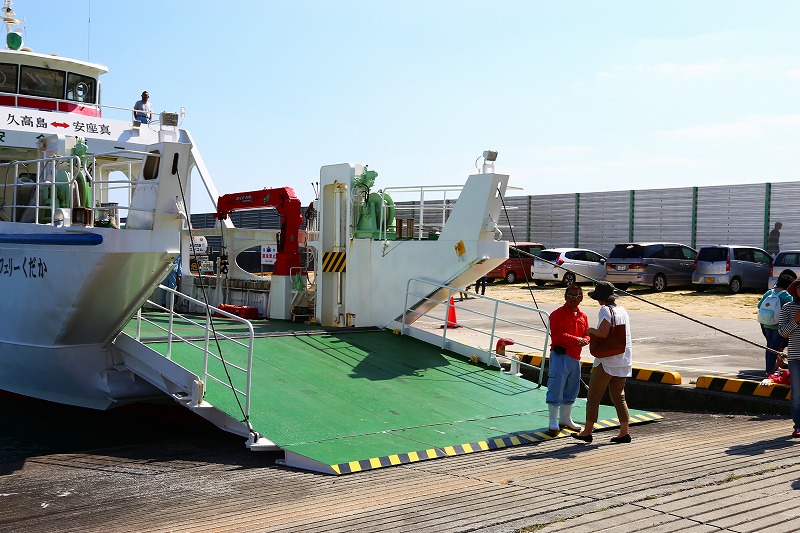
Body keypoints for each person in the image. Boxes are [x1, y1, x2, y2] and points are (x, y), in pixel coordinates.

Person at [573, 281, 633, 444]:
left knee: (594, 397)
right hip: (623, 360)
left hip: (606, 361)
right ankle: (624, 432)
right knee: (619, 397)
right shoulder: (622, 310)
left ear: (600, 298)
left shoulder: (605, 310)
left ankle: (587, 432)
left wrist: (590, 330)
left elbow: (604, 333)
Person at [545, 284, 590, 436]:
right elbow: (558, 335)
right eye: (570, 296)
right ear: (565, 297)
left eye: (576, 296)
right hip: (560, 357)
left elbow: (587, 333)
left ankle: (565, 419)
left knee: (572, 389)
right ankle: (553, 421)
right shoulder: (557, 314)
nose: (573, 299)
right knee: (556, 387)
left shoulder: (583, 316)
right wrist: (578, 340)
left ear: (581, 298)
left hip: (575, 358)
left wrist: (586, 339)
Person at [757, 274, 794, 375]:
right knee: (775, 348)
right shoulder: (786, 296)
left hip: (767, 324)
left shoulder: (769, 292)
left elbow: (759, 305)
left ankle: (770, 368)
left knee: (770, 347)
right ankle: (770, 371)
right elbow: (791, 310)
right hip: (779, 326)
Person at [778, 279, 800, 438]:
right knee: (797, 394)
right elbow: (782, 333)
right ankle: (798, 425)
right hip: (795, 357)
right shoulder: (787, 308)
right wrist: (796, 319)